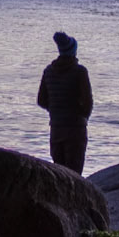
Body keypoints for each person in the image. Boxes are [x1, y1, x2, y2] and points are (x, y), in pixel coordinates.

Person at [37, 30, 93, 174]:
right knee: (75, 174)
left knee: (60, 174)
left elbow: (41, 100)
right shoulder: (80, 72)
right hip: (75, 129)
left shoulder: (48, 71)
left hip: (56, 129)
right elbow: (87, 102)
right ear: (74, 51)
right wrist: (83, 116)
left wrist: (55, 110)